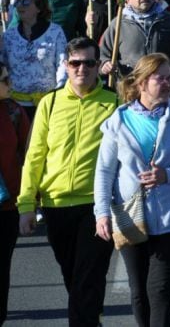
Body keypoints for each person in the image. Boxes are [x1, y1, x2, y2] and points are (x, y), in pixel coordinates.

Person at [93, 53, 170, 327]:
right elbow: (105, 171)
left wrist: (169, 175)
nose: (168, 83)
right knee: (139, 292)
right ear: (142, 83)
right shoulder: (117, 122)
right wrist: (101, 213)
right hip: (130, 216)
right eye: (161, 78)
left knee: (160, 289)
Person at [16, 38, 117, 327]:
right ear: (65, 65)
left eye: (89, 63)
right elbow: (34, 156)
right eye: (75, 63)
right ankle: (91, 319)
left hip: (96, 207)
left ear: (99, 66)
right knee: (75, 280)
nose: (81, 68)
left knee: (87, 280)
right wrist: (26, 204)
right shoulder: (50, 103)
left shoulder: (113, 102)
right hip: (55, 204)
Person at [3, 0, 67, 117]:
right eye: (17, 2)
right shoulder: (9, 35)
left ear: (39, 7)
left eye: (25, 2)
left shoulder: (55, 32)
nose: (20, 6)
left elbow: (63, 65)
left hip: (48, 103)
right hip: (15, 105)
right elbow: (3, 66)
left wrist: (58, 92)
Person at [0, 64, 28, 325]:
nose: (10, 82)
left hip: (6, 206)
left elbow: (28, 153)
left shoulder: (14, 111)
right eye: (5, 79)